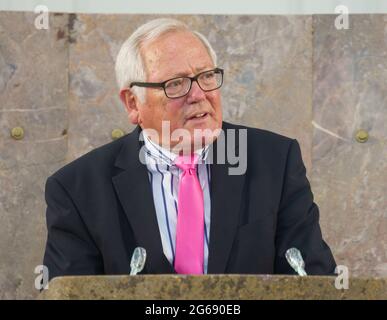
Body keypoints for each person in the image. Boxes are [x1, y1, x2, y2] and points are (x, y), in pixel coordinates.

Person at [43, 18, 336, 280]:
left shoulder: (274, 161)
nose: (198, 95)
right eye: (176, 84)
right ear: (133, 104)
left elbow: (312, 278)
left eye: (206, 76)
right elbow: (72, 291)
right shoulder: (77, 189)